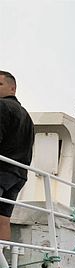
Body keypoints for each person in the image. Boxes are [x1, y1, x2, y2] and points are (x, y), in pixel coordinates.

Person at [0, 71, 35, 244]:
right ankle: (3, 263)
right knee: (3, 218)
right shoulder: (27, 116)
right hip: (19, 174)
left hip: (3, 169)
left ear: (12, 88)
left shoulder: (2, 106)